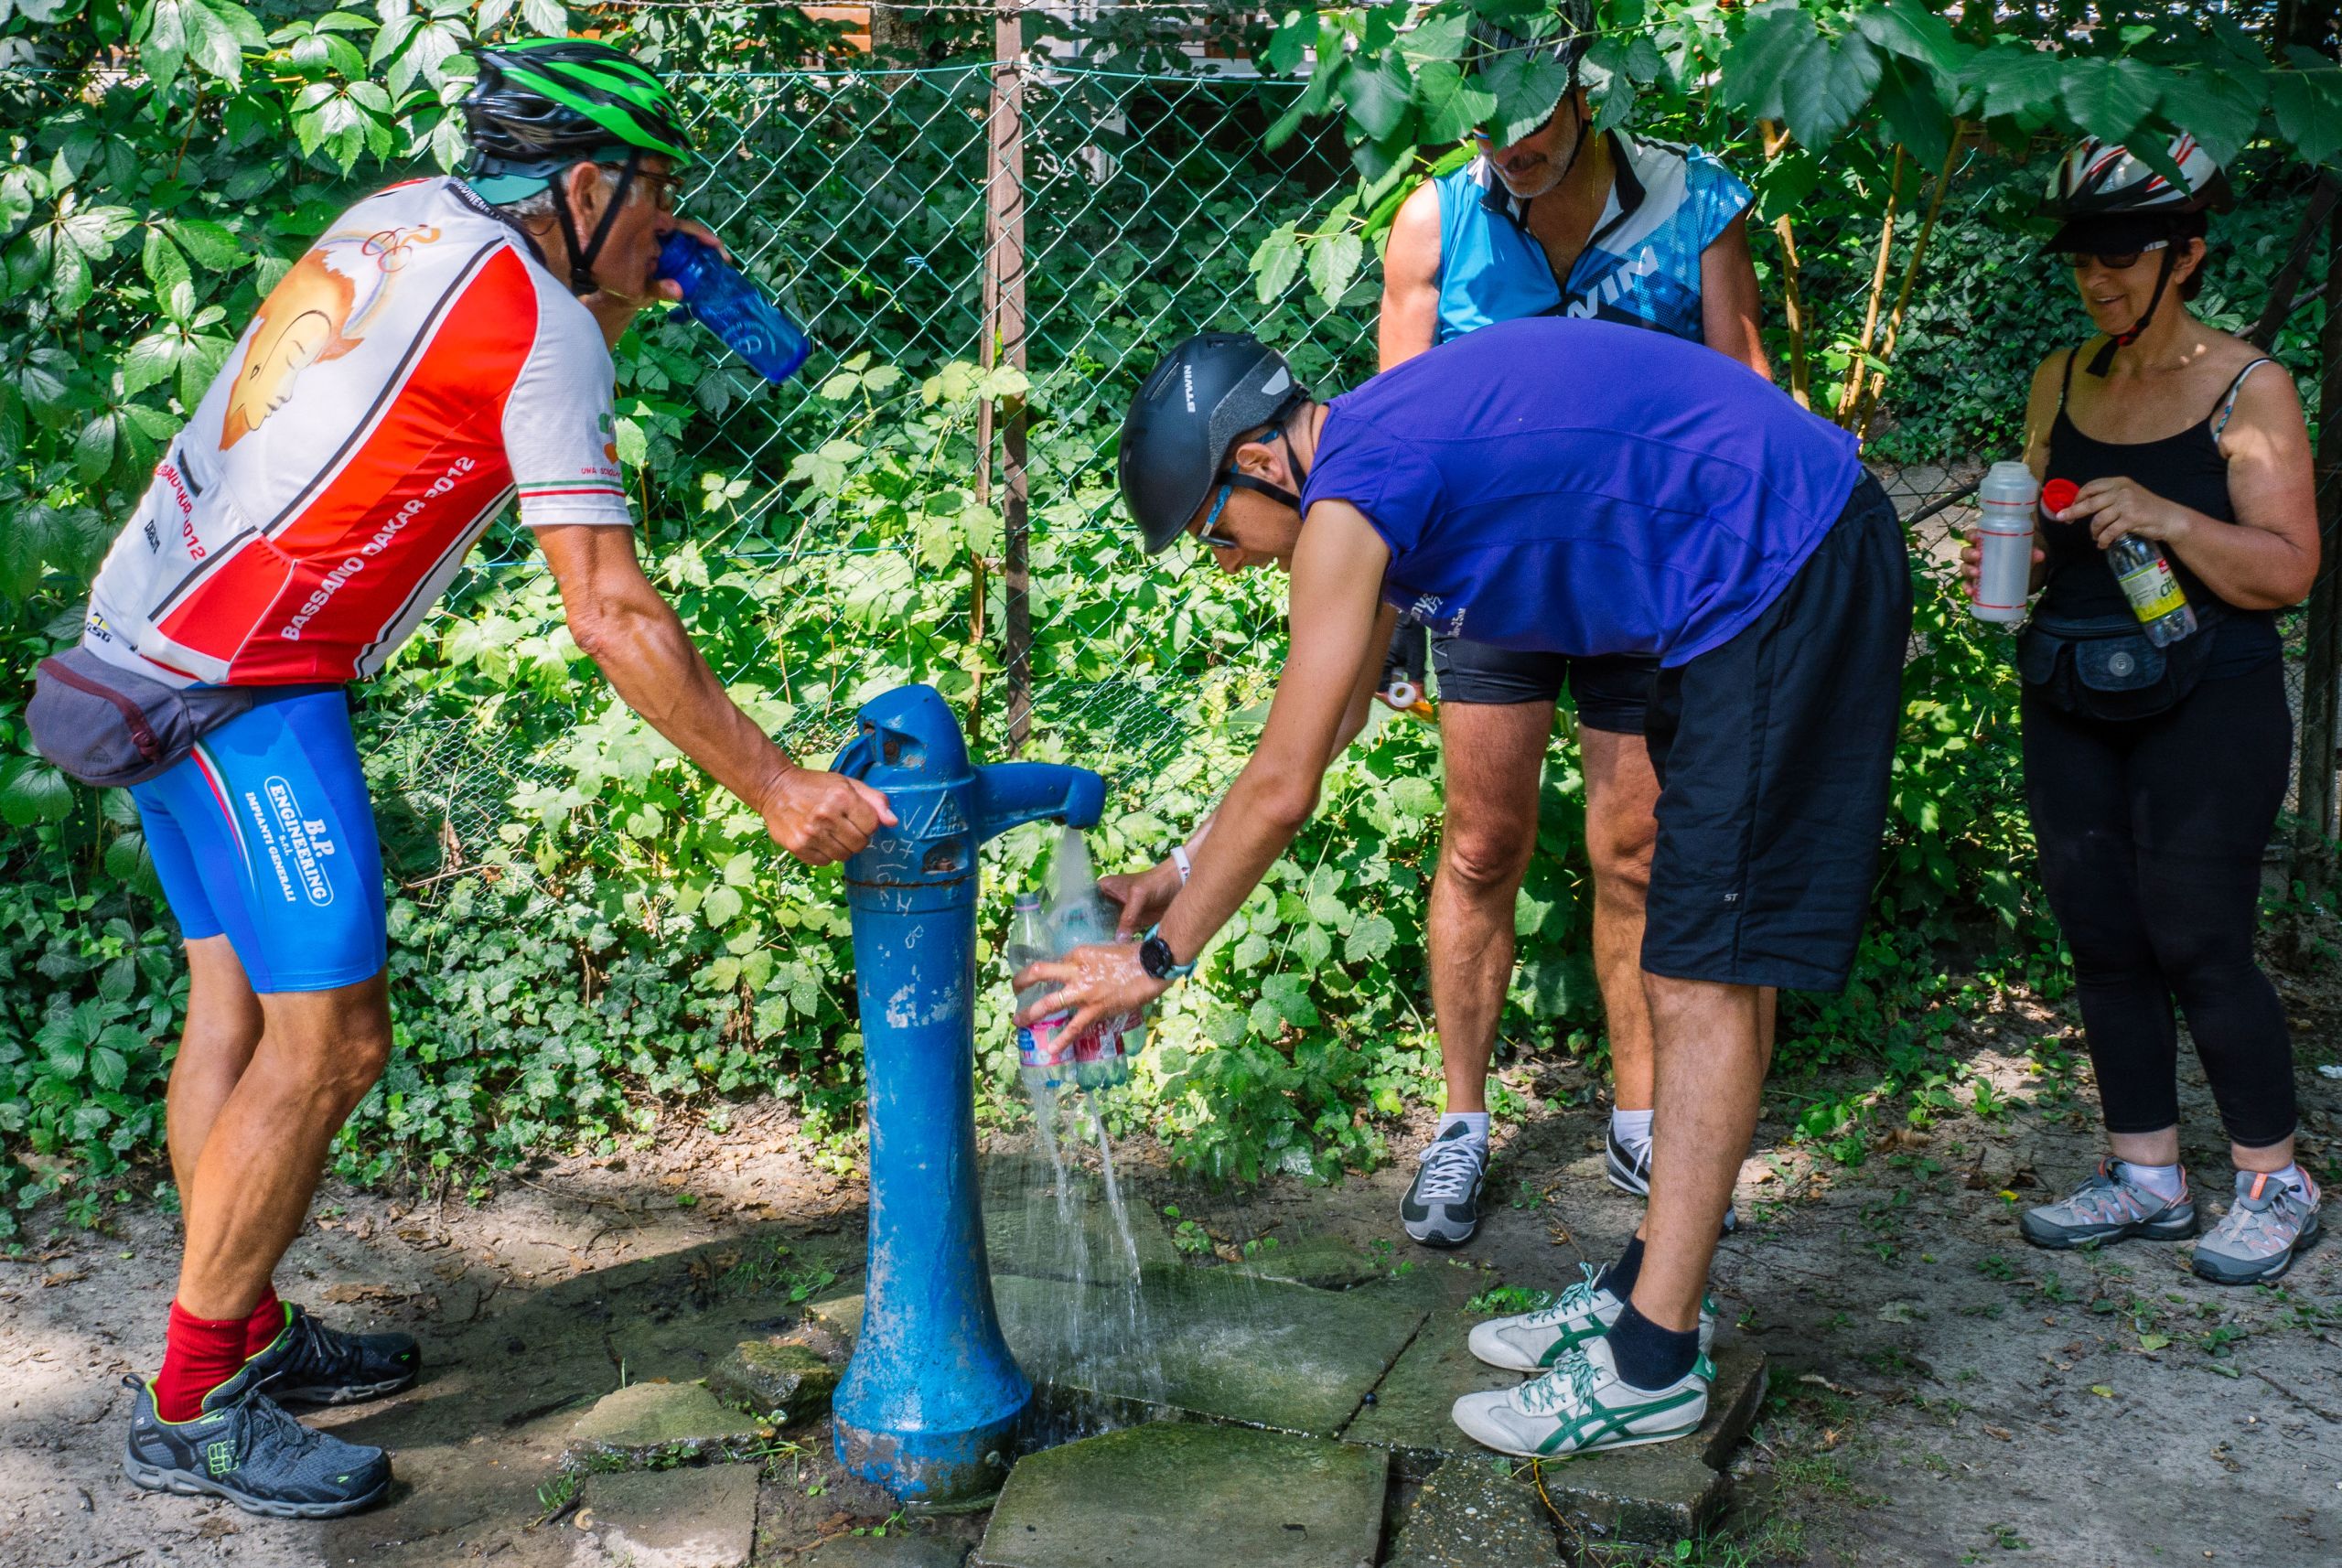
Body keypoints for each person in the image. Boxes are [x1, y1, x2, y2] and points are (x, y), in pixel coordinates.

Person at [45, 38, 892, 1519]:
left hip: (138, 632)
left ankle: (234, 1322)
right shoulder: (544, 321)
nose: (669, 223)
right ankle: (192, 1400)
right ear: (581, 182)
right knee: (334, 1042)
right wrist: (772, 784)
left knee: (230, 1007)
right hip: (247, 676)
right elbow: (611, 607)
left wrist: (626, 276)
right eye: (656, 195)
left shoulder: (400, 213)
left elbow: (443, 374)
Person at [1025, 317, 1910, 1457]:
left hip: (1784, 561)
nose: (1224, 557)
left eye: (1212, 531)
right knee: (1694, 958)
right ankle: (1647, 1282)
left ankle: (1653, 1361)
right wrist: (1182, 872)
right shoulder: (1367, 469)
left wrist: (1152, 963)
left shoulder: (1351, 499)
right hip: (1739, 577)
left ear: (1253, 463)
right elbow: (1333, 714)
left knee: (1703, 970)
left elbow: (1287, 783)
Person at [1372, 7, 1768, 1245]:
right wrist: (1390, 608)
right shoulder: (1435, 219)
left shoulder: (1693, 202)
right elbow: (1392, 433)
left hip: (1647, 580)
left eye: (1535, 107)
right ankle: (1459, 1123)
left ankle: (1642, 1116)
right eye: (1485, 115)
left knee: (1636, 847)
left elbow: (1747, 392)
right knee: (1483, 844)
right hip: (1493, 578)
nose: (1511, 140)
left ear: (1587, 87)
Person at [1961, 135, 2320, 1284]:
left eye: (2121, 255)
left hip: (2206, 696)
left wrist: (2168, 516)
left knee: (2197, 934)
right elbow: (2037, 506)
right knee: (2101, 932)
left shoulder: (2246, 386)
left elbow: (2287, 570)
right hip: (2071, 683)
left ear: (2186, 254)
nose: (2096, 279)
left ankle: (2276, 1180)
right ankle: (2145, 1175)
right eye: (2082, 258)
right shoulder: (2061, 377)